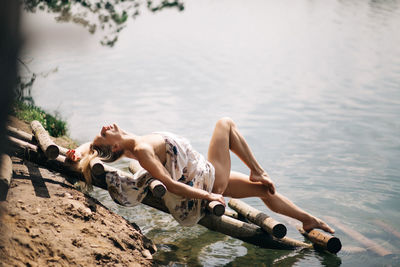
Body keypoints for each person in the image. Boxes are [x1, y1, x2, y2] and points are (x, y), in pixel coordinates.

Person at [67, 117, 334, 233]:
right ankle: (258, 170)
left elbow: (93, 149)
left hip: (207, 173)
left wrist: (77, 152)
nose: (104, 126)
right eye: (103, 133)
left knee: (264, 192)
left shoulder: (129, 145)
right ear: (113, 146)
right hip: (209, 179)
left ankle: (308, 220)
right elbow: (172, 185)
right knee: (225, 123)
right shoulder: (142, 149)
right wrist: (210, 195)